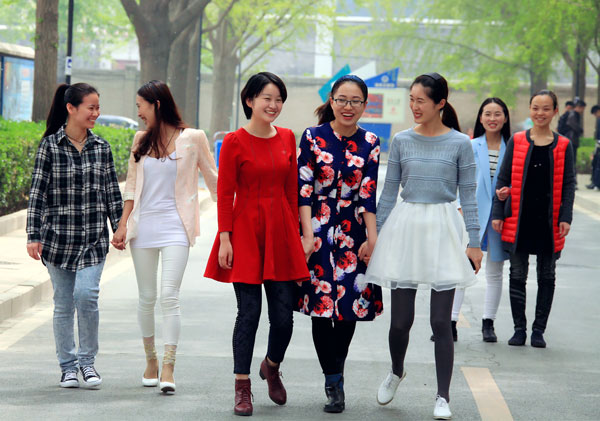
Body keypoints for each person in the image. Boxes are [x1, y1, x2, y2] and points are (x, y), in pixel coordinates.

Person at [364, 73, 482, 420]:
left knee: (441, 321)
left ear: (440, 103)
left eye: (421, 101)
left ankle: (442, 396)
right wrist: (375, 236)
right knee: (401, 321)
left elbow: (469, 196)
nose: (414, 106)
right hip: (407, 228)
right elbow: (389, 193)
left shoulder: (460, 143)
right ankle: (396, 371)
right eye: (411, 100)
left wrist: (475, 243)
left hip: (444, 229)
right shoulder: (402, 140)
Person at [204, 72, 310, 416]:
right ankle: (242, 386)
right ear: (249, 100)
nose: (273, 105)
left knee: (283, 318)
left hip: (280, 232)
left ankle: (272, 365)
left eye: (279, 99)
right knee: (249, 313)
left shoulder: (287, 137)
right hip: (246, 231)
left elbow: (292, 192)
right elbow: (225, 194)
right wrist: (225, 238)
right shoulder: (234, 141)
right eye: (267, 98)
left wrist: (297, 236)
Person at [110, 80, 218, 394]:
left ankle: (169, 366)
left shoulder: (193, 138)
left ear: (156, 104)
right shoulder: (140, 139)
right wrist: (122, 225)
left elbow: (214, 180)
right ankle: (151, 360)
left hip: (176, 227)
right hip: (143, 227)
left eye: (140, 106)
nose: (138, 113)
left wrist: (233, 219)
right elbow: (132, 187)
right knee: (146, 297)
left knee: (169, 296)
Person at [26, 83, 123, 389]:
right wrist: (33, 234)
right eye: (91, 108)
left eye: (98, 107)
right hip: (58, 241)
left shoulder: (102, 148)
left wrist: (119, 228)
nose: (96, 113)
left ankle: (87, 362)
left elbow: (112, 193)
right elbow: (37, 193)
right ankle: (68, 367)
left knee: (87, 295)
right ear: (71, 108)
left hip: (93, 240)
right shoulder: (50, 146)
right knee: (64, 304)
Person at [296, 74, 383, 414]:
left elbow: (368, 194)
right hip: (317, 229)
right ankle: (334, 382)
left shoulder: (371, 141)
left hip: (353, 232)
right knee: (321, 309)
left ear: (364, 105)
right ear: (331, 101)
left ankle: (336, 372)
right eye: (342, 100)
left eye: (355, 101)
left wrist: (373, 239)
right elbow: (303, 188)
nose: (348, 107)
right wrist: (307, 235)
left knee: (348, 310)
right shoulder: (312, 137)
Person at [491, 90, 576, 349]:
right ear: (530, 110)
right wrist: (498, 212)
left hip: (549, 222)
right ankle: (519, 329)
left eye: (546, 108)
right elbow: (503, 178)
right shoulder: (517, 141)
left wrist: (566, 217)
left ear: (555, 111)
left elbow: (569, 184)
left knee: (547, 276)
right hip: (519, 219)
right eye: (536, 108)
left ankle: (538, 330)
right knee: (517, 274)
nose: (540, 113)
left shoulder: (563, 145)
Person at [447, 98, 512, 343]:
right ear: (481, 117)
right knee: (462, 268)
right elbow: (456, 179)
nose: (492, 118)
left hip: (499, 217)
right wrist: (460, 206)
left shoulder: (512, 147)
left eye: (497, 114)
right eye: (488, 113)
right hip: (471, 215)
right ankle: (451, 322)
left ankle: (488, 322)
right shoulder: (470, 145)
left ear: (505, 117)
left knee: (495, 271)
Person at [564, 99, 586, 183]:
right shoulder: (573, 114)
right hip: (572, 140)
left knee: (572, 161)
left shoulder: (574, 114)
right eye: (583, 108)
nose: (582, 111)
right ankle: (572, 180)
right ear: (579, 107)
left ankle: (572, 180)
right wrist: (580, 130)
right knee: (572, 161)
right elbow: (571, 123)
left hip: (572, 140)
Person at [585, 105, 600, 190]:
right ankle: (594, 182)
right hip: (598, 144)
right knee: (595, 163)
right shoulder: (598, 119)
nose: (595, 116)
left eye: (595, 113)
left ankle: (596, 183)